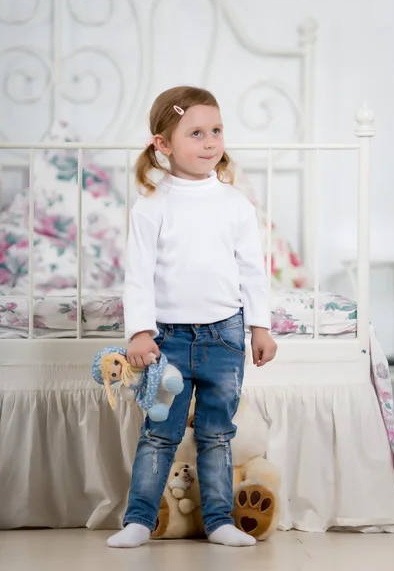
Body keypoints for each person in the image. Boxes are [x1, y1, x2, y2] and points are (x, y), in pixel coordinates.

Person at [107, 86, 277, 549]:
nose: (209, 142)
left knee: (218, 434)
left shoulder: (235, 204)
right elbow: (137, 275)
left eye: (216, 131)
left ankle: (219, 520)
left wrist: (259, 326)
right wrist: (140, 332)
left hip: (225, 338)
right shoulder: (152, 205)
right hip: (168, 342)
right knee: (159, 433)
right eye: (196, 133)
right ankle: (139, 519)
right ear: (162, 144)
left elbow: (252, 272)